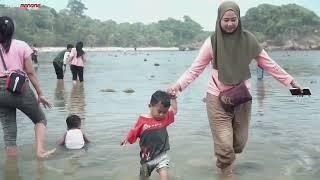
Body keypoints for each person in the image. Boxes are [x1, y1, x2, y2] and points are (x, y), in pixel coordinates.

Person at [167, 1, 304, 177]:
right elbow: (196, 68)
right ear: (219, 20)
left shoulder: (249, 40)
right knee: (225, 144)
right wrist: (178, 85)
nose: (230, 23)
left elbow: (269, 64)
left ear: (239, 19)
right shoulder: (212, 42)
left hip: (242, 98)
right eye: (226, 20)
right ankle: (226, 172)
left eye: (234, 19)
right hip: (216, 98)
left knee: (239, 143)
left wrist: (290, 81)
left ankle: (226, 159)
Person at [0, 16, 55, 158]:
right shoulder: (21, 45)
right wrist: (40, 93)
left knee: (9, 131)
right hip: (18, 88)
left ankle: (11, 165)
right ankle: (40, 152)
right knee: (40, 119)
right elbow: (30, 72)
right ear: (12, 30)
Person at [120, 90, 177, 180]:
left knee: (164, 176)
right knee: (143, 177)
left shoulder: (164, 118)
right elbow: (134, 131)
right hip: (147, 158)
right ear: (150, 106)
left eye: (165, 112)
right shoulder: (143, 120)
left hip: (161, 155)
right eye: (159, 111)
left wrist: (173, 99)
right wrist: (127, 138)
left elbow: (174, 111)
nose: (162, 114)